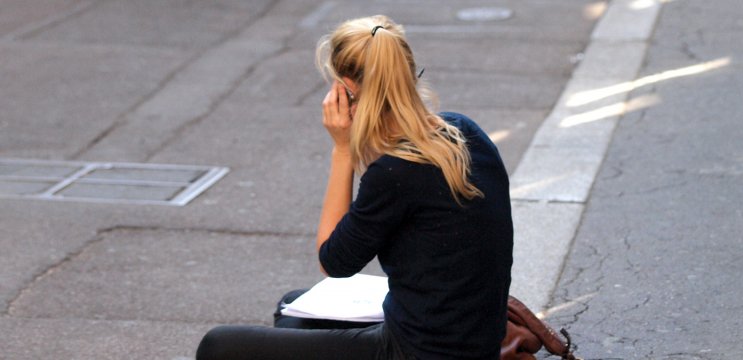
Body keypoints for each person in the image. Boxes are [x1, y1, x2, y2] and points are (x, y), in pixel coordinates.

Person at [196, 15, 513, 360]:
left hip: (415, 351)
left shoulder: (395, 172)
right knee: (292, 309)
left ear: (347, 92)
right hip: (474, 342)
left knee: (218, 346)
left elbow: (333, 262)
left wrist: (343, 150)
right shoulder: (464, 130)